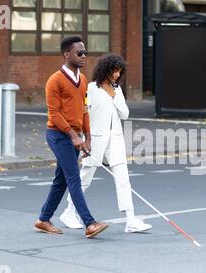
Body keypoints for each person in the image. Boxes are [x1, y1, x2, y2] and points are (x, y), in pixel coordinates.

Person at [59, 53, 153, 233]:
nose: (117, 75)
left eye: (119, 72)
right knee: (85, 177)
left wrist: (114, 95)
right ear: (106, 70)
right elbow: (84, 114)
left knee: (123, 178)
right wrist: (84, 139)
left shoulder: (117, 90)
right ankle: (69, 212)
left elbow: (125, 114)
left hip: (115, 140)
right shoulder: (92, 88)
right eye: (114, 71)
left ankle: (131, 219)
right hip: (95, 140)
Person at [34, 36, 108, 239]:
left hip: (74, 136)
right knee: (73, 176)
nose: (84, 56)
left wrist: (88, 138)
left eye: (85, 52)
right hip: (58, 135)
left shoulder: (83, 80)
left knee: (61, 180)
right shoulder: (54, 81)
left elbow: (84, 110)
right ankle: (90, 223)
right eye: (79, 53)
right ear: (67, 54)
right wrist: (74, 136)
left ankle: (43, 219)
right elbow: (54, 114)